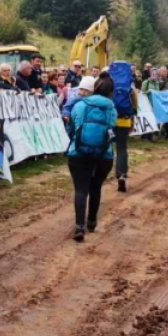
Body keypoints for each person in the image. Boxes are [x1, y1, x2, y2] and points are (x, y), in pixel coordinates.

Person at [66, 75, 117, 242]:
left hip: (79, 152)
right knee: (96, 187)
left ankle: (79, 227)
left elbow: (72, 126)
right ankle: (92, 221)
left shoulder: (80, 105)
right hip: (104, 154)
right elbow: (112, 127)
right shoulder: (111, 108)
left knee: (81, 190)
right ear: (111, 92)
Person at [113, 75, 140, 193]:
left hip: (109, 121)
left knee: (105, 147)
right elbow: (134, 108)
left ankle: (98, 174)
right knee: (121, 148)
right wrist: (132, 123)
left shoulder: (109, 85)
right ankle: (122, 174)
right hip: (124, 122)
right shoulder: (130, 88)